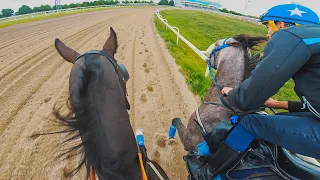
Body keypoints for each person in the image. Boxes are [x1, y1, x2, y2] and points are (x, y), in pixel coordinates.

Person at [190, 3, 320, 179]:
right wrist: (276, 104)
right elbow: (313, 105)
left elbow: (249, 99)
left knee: (251, 122)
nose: (268, 34)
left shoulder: (291, 35)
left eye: (268, 26)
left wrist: (234, 93)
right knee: (278, 119)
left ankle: (205, 173)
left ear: (281, 24)